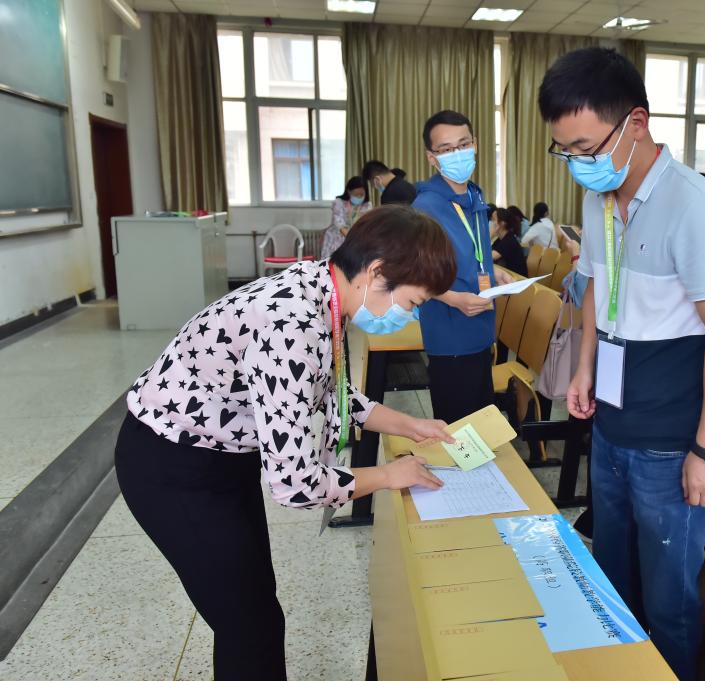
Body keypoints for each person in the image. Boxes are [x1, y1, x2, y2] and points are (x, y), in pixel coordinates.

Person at [115, 206, 457, 681]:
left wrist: (409, 425)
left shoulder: (323, 290)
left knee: (253, 608)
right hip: (173, 467)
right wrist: (387, 475)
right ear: (377, 272)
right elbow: (296, 485)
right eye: (414, 301)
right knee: (248, 624)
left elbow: (328, 390)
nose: (412, 314)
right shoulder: (291, 320)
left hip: (223, 456)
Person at [540, 47, 705, 680]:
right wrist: (583, 368)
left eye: (585, 147)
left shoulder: (695, 208)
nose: (578, 163)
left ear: (636, 122)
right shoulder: (599, 198)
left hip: (669, 438)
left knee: (669, 601)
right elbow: (594, 289)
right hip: (611, 421)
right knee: (613, 577)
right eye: (564, 151)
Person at [412, 110, 513, 423]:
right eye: (446, 149)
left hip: (481, 330)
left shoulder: (474, 196)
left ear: (475, 144)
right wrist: (453, 298)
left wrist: (492, 271)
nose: (458, 154)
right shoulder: (425, 207)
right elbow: (411, 274)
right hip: (451, 336)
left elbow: (473, 252)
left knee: (481, 423)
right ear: (432, 158)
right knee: (458, 432)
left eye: (464, 144)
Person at [321, 176, 372, 259]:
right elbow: (339, 224)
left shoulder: (367, 205)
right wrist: (352, 239)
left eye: (362, 194)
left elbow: (366, 224)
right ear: (349, 191)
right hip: (337, 238)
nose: (359, 197)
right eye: (356, 194)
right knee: (334, 262)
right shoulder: (339, 203)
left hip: (357, 239)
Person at [490, 207, 528, 276]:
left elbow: (487, 258)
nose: (491, 223)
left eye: (493, 219)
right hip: (508, 275)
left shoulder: (509, 240)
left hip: (517, 278)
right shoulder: (500, 239)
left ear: (502, 223)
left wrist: (489, 235)